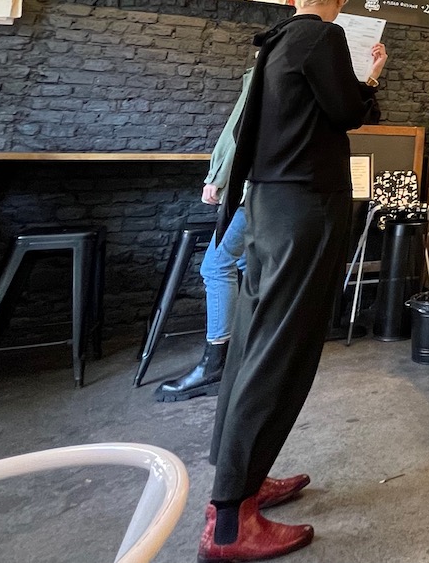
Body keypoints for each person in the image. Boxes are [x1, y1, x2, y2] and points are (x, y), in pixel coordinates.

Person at [199, 0, 385, 562]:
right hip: (307, 211)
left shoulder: (276, 40)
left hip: (269, 208)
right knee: (281, 351)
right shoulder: (322, 37)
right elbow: (348, 113)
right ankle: (231, 522)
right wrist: (371, 78)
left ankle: (239, 483)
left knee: (255, 342)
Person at [156, 62, 384, 403]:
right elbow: (353, 115)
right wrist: (370, 78)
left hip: (259, 186)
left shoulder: (272, 68)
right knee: (253, 264)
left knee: (217, 265)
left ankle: (216, 361)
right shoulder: (322, 76)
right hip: (290, 190)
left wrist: (217, 176)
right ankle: (250, 350)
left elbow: (240, 129)